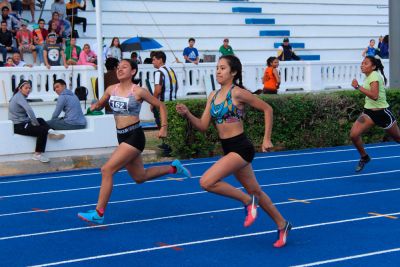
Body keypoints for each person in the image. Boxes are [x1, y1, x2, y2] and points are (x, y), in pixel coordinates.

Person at [175, 55, 291, 248]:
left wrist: (266, 138)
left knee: (206, 181)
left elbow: (267, 108)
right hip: (228, 149)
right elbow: (203, 126)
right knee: (256, 191)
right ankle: (282, 224)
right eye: (217, 68)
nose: (218, 71)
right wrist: (188, 114)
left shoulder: (238, 93)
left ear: (233, 72)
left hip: (241, 148)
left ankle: (247, 201)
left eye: (222, 68)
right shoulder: (212, 95)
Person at [77, 59, 191, 224]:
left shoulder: (138, 91)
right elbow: (101, 103)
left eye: (125, 67)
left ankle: (99, 213)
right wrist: (96, 106)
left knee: (107, 170)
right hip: (121, 136)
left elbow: (160, 105)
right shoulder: (111, 89)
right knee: (140, 177)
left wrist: (163, 127)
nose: (120, 69)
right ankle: (173, 168)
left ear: (133, 72)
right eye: (118, 67)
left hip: (134, 136)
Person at [350, 56, 400, 172]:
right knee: (354, 135)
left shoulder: (375, 76)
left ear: (373, 67)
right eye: (362, 63)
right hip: (368, 113)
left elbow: (375, 96)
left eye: (366, 63)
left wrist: (358, 87)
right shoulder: (368, 76)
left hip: (382, 113)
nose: (362, 65)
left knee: (398, 138)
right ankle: (365, 157)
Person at [8, 80, 65, 163]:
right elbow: (29, 110)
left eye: (29, 88)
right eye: (26, 88)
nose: (28, 90)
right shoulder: (19, 97)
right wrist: (34, 122)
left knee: (40, 119)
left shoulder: (19, 96)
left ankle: (51, 131)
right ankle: (37, 154)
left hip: (24, 123)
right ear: (20, 89)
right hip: (18, 126)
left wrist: (35, 121)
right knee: (42, 131)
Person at [152, 50, 178, 156]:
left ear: (160, 60)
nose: (152, 62)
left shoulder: (159, 72)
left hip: (163, 103)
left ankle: (167, 147)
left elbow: (158, 89)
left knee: (162, 124)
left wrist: (152, 102)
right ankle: (168, 145)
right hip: (172, 101)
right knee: (170, 124)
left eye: (154, 59)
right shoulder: (170, 70)